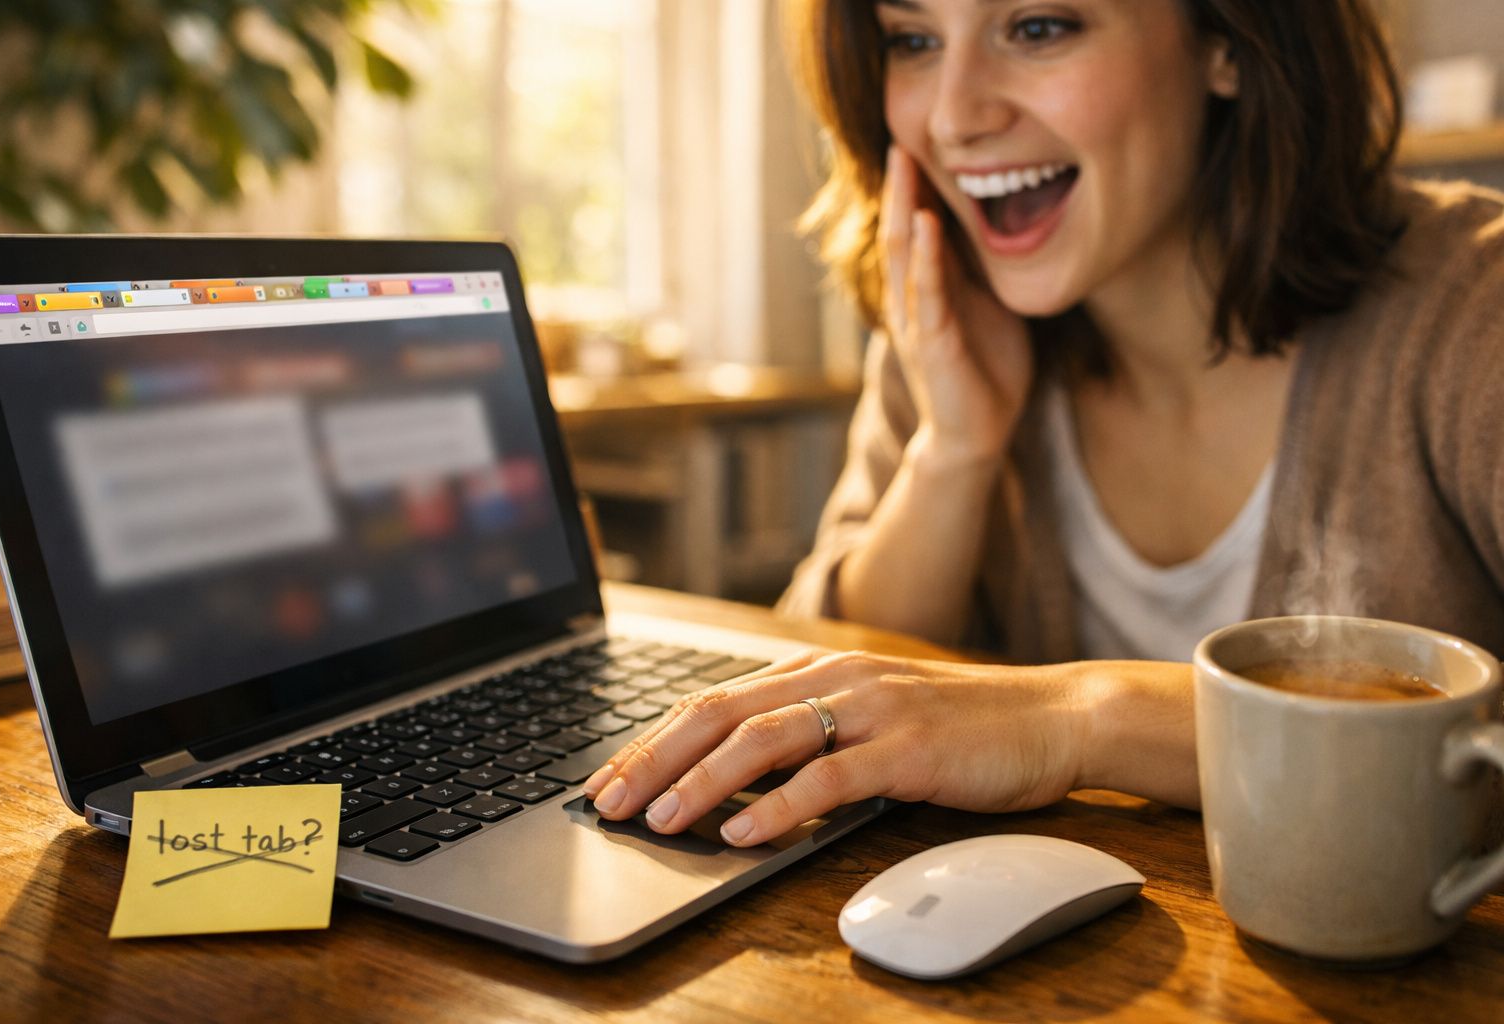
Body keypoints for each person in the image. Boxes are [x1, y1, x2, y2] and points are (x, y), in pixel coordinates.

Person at [583, 0, 1504, 847]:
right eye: (913, 40)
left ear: (1227, 40)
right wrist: (954, 450)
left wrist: (1079, 718)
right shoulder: (949, 322)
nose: (954, 117)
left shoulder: (1472, 310)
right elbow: (830, 693)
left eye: (1038, 27)